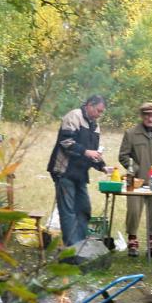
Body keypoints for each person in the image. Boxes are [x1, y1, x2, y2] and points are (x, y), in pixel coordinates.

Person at [47, 95, 107, 246]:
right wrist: (86, 152)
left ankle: (81, 244)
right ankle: (72, 247)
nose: (99, 115)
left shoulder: (95, 125)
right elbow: (66, 142)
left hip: (80, 173)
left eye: (101, 112)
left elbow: (93, 152)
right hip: (64, 170)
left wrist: (103, 166)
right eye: (98, 111)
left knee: (84, 208)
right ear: (89, 105)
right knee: (68, 211)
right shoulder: (74, 116)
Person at [118, 102, 152, 258]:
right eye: (146, 114)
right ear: (141, 116)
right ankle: (132, 241)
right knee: (133, 212)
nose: (149, 118)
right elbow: (123, 156)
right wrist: (135, 168)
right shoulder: (131, 133)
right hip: (136, 181)